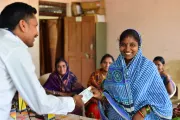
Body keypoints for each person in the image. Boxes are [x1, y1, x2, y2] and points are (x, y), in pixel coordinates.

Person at [0, 2, 83, 120]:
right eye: (35, 26)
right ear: (23, 25)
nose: (37, 33)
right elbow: (40, 103)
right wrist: (72, 102)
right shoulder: (15, 48)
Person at [92, 29, 172, 120]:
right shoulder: (114, 68)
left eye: (132, 45)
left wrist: (143, 112)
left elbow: (161, 100)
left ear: (139, 46)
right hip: (116, 116)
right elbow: (110, 98)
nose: (127, 49)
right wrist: (100, 95)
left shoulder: (149, 67)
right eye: (123, 45)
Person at [85, 54, 114, 118]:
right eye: (105, 62)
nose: (107, 65)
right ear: (101, 64)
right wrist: (100, 97)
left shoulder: (117, 77)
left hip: (111, 102)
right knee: (94, 108)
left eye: (110, 63)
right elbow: (90, 89)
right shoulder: (95, 75)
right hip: (96, 100)